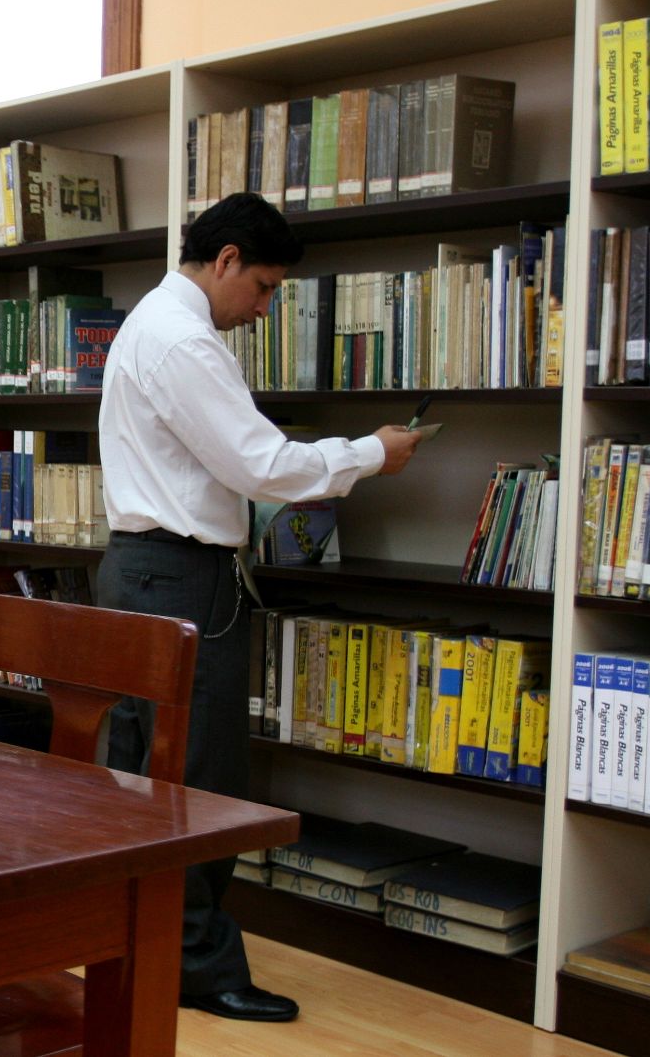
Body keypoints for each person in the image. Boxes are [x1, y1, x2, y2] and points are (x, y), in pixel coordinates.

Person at [96, 192, 423, 1023]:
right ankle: (199, 970)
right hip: (179, 575)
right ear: (229, 259)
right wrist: (370, 454)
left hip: (142, 570)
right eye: (267, 287)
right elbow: (263, 465)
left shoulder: (150, 323)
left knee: (144, 775)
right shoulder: (184, 341)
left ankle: (143, 943)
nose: (265, 307)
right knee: (201, 777)